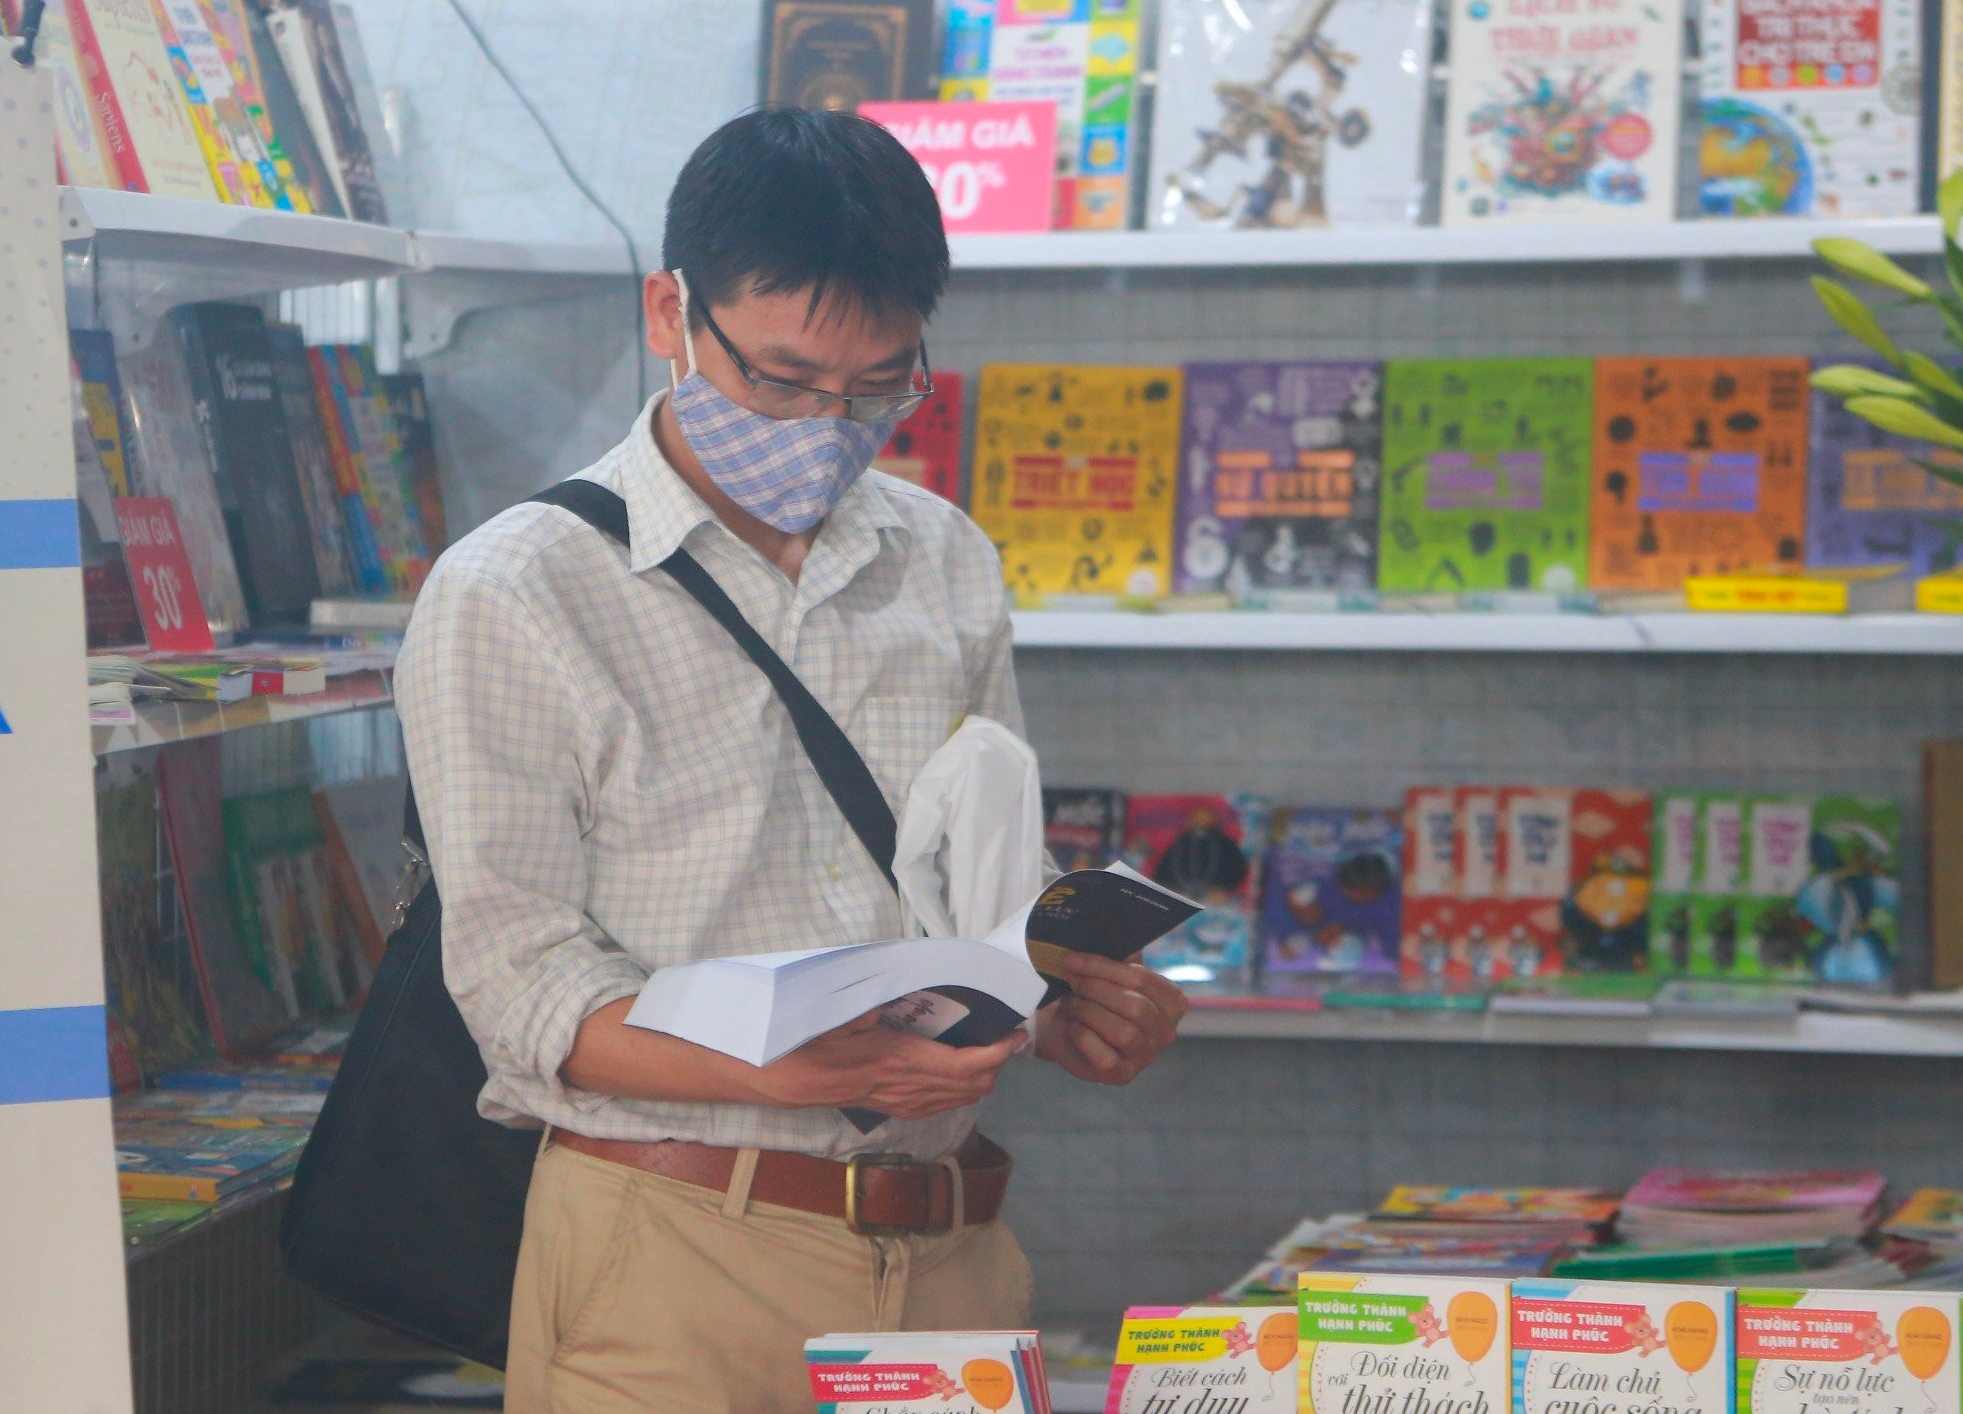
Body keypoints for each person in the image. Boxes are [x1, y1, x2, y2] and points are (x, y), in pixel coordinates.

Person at [394, 107, 1192, 1414]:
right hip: (672, 1258)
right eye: (779, 377)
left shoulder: (944, 559)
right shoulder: (516, 592)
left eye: (879, 383)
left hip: (954, 1260)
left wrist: (1065, 1005)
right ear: (670, 311)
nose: (826, 423)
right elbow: (519, 982)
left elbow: (985, 886)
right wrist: (809, 1071)